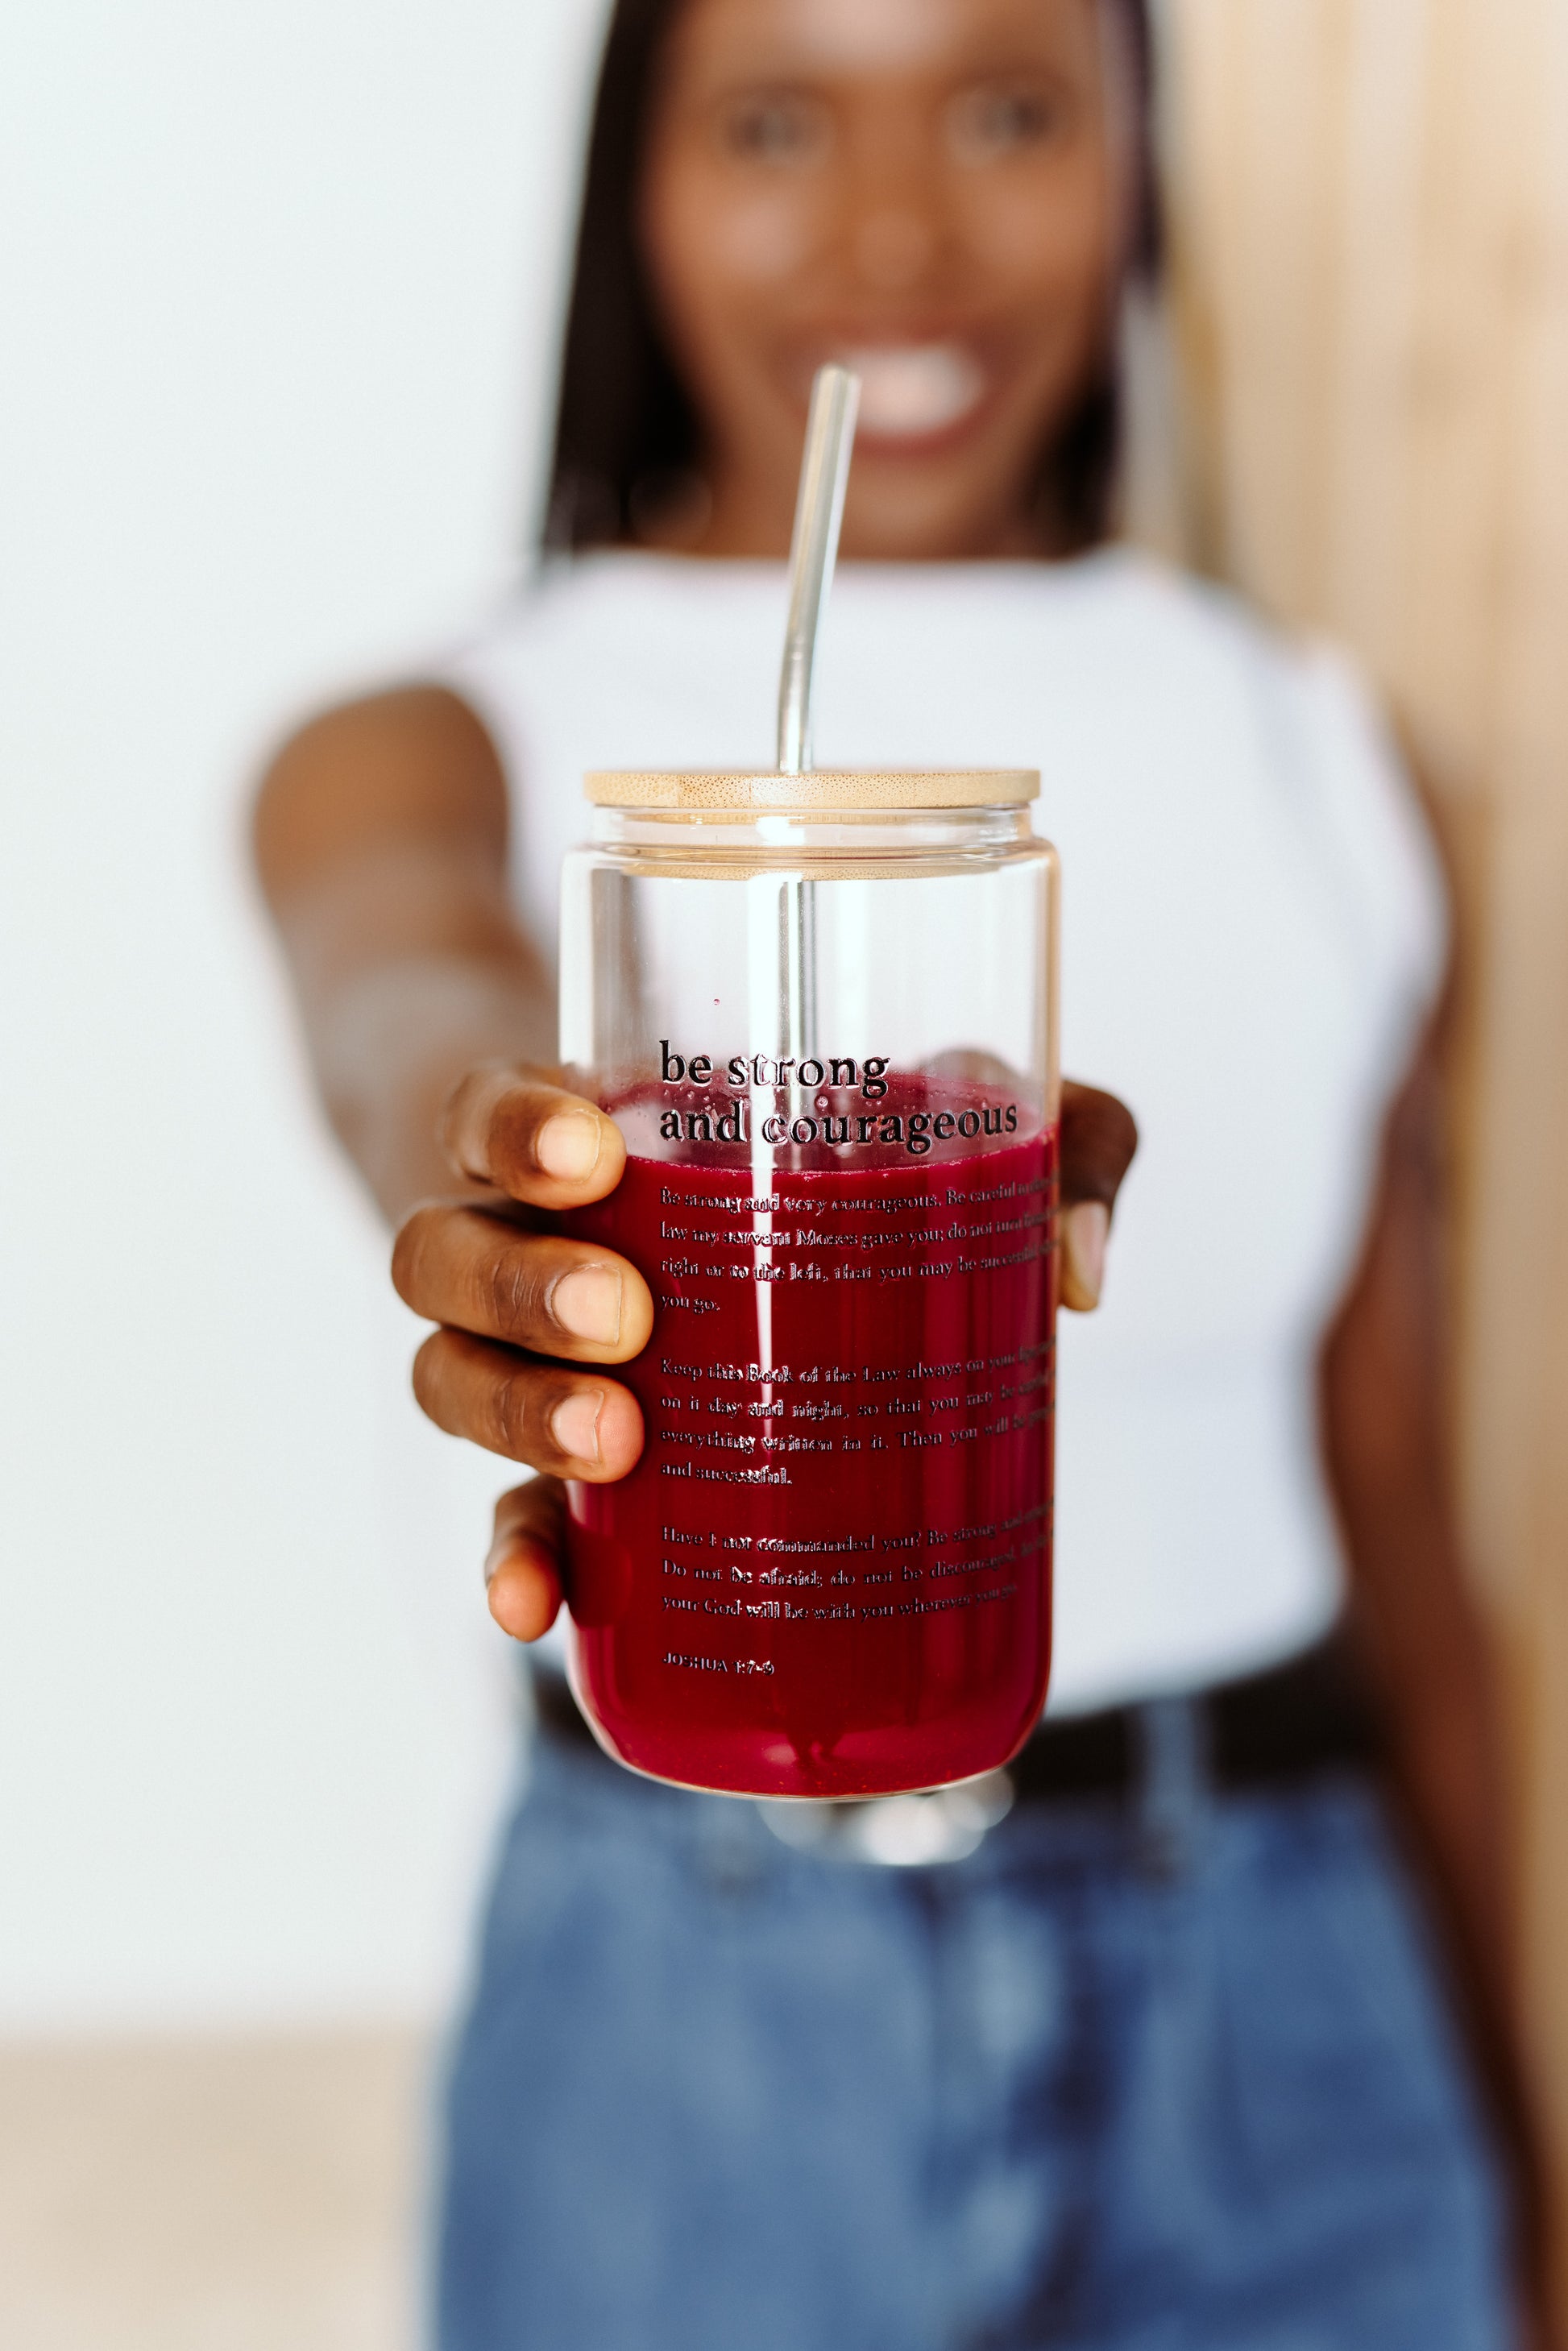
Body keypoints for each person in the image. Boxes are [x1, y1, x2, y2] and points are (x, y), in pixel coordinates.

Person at [253, 0, 1547, 2343]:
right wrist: (525, 1172)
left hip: (1293, 1991)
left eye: (1007, 109)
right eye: (772, 123)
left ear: (1136, 162)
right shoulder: (428, 734)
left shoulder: (1319, 748)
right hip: (692, 1998)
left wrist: (1522, 2141)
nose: (892, 230)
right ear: (630, 186)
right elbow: (394, 997)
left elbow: (1393, 1516)